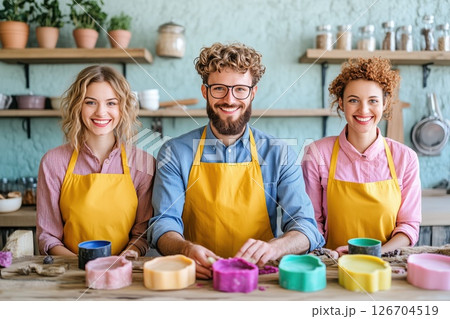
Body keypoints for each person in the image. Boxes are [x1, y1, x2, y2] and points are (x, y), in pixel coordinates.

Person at [150, 42, 324, 279]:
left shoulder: (279, 154)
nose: (230, 99)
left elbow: (307, 228)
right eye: (219, 89)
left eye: (240, 89)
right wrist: (185, 249)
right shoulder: (174, 152)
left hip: (260, 278)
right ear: (205, 92)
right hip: (196, 279)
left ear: (253, 92)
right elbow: (163, 224)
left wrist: (276, 247)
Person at [301, 57, 421, 258]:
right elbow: (311, 221)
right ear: (341, 103)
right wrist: (326, 255)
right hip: (332, 266)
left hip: (385, 265)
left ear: (385, 104)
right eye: (353, 100)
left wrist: (374, 253)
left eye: (373, 101)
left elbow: (408, 227)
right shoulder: (317, 153)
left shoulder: (405, 158)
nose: (363, 110)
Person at [37, 65, 155, 257]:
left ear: (122, 108)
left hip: (124, 271)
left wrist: (122, 259)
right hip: (69, 274)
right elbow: (48, 237)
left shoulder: (144, 163)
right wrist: (81, 266)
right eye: (90, 102)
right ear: (77, 106)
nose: (101, 112)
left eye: (111, 103)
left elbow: (142, 234)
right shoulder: (53, 162)